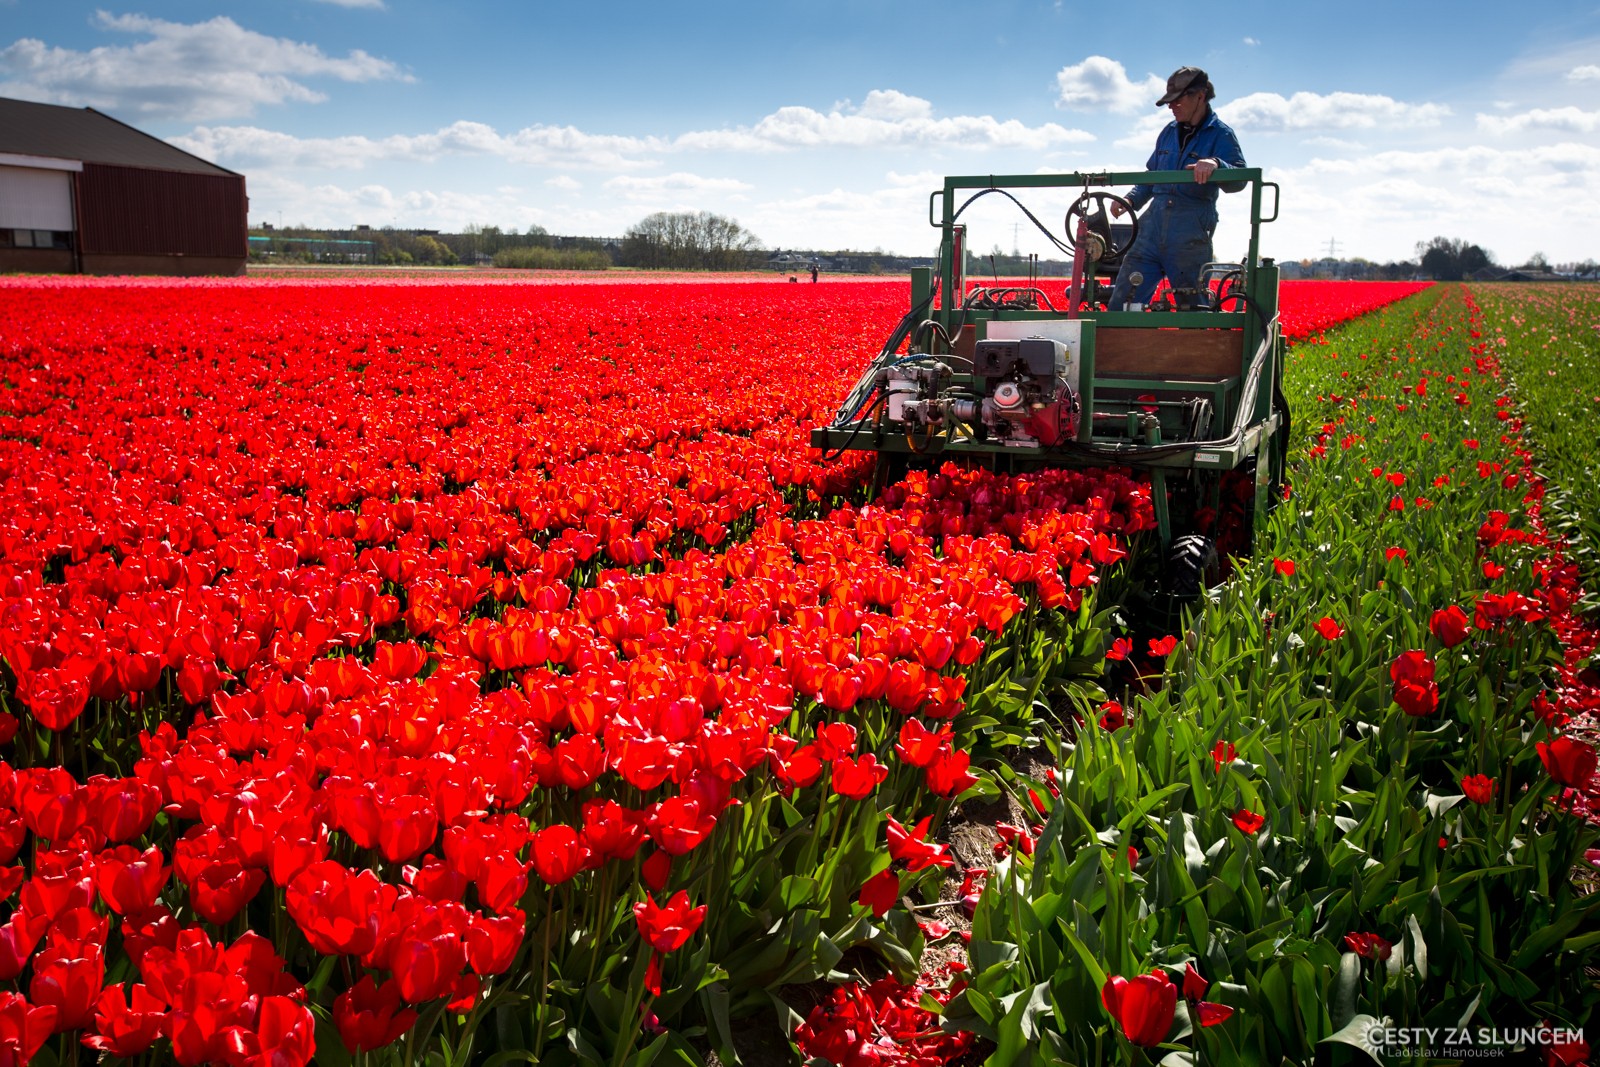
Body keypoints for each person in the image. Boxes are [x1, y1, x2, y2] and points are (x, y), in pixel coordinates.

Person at [1108, 67, 1245, 310]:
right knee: (1124, 301)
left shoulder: (1221, 135)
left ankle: (1196, 346)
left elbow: (1240, 178)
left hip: (1190, 232)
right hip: (1150, 228)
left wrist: (1216, 164)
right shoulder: (1168, 133)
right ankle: (1120, 345)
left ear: (1200, 96)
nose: (1172, 107)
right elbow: (1152, 177)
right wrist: (1130, 200)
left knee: (1192, 307)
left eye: (1178, 100)